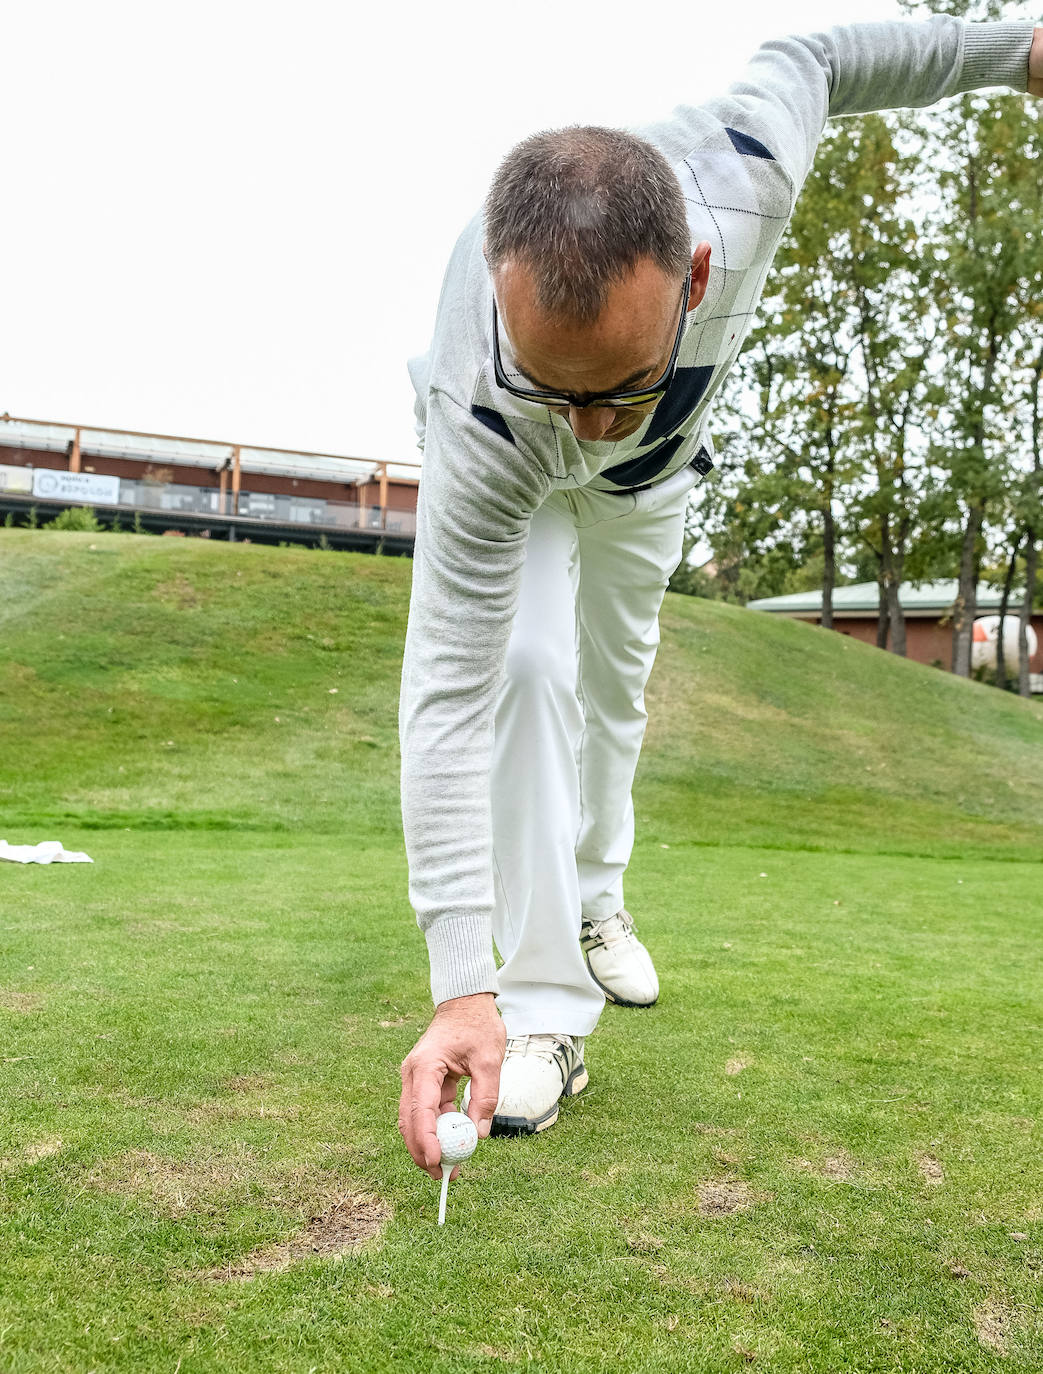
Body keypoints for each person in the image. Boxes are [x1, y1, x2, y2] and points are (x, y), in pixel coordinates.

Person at [397, 15, 1043, 1180]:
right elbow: (445, 694)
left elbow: (827, 57)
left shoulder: (742, 171)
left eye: (619, 386)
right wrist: (460, 985)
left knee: (613, 686)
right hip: (517, 477)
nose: (591, 422)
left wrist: (1019, 47)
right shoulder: (482, 401)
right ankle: (544, 1007)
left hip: (658, 487)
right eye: (563, 387)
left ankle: (601, 899)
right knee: (525, 669)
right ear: (502, 307)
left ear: (694, 274)